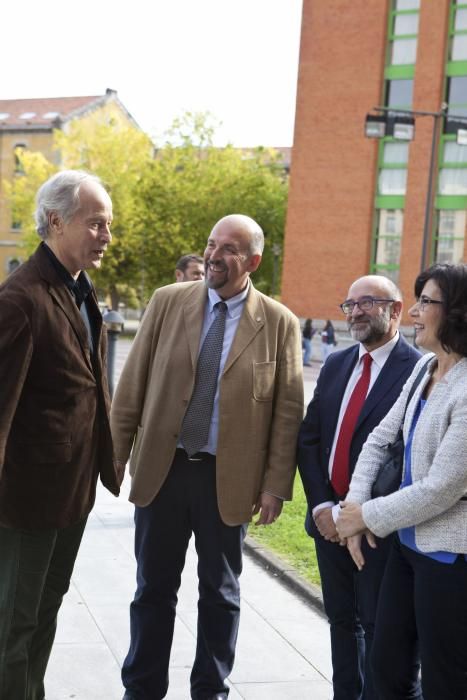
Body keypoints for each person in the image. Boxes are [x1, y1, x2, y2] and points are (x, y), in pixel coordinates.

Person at [111, 214, 304, 700]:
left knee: (220, 595)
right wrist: (114, 453)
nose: (216, 255)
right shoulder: (166, 301)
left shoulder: (280, 323)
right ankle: (142, 688)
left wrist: (275, 484)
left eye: (231, 249)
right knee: (152, 589)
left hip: (229, 478)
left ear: (253, 261)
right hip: (164, 469)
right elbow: (132, 384)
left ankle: (211, 690)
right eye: (211, 243)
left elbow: (287, 412)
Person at [0, 170, 121, 700]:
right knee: (12, 627)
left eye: (108, 225)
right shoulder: (20, 300)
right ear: (56, 222)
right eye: (96, 224)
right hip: (25, 503)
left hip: (71, 494)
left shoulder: (78, 288)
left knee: (44, 611)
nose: (105, 236)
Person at [337, 263, 467, 700]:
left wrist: (364, 518)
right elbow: (378, 440)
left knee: (446, 679)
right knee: (386, 669)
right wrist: (354, 508)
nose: (412, 311)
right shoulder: (426, 368)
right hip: (406, 550)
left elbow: (442, 488)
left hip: (450, 560)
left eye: (425, 302)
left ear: (457, 312)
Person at [297, 275, 420, 700]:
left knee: (378, 626)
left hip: (377, 529)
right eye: (349, 305)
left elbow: (405, 454)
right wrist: (323, 508)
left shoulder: (419, 370)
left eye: (367, 302)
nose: (356, 312)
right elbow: (310, 438)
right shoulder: (336, 363)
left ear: (397, 309)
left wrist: (358, 515)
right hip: (329, 523)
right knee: (340, 623)